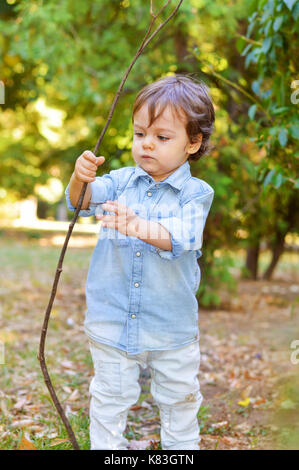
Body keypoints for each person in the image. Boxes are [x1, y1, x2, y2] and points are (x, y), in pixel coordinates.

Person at [65, 74, 215, 450]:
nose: (147, 144)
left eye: (162, 137)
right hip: (113, 322)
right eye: (139, 134)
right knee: (109, 400)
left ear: (192, 143)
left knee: (179, 402)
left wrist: (137, 225)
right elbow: (82, 200)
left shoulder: (196, 193)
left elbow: (185, 236)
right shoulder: (119, 182)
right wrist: (79, 178)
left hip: (172, 329)